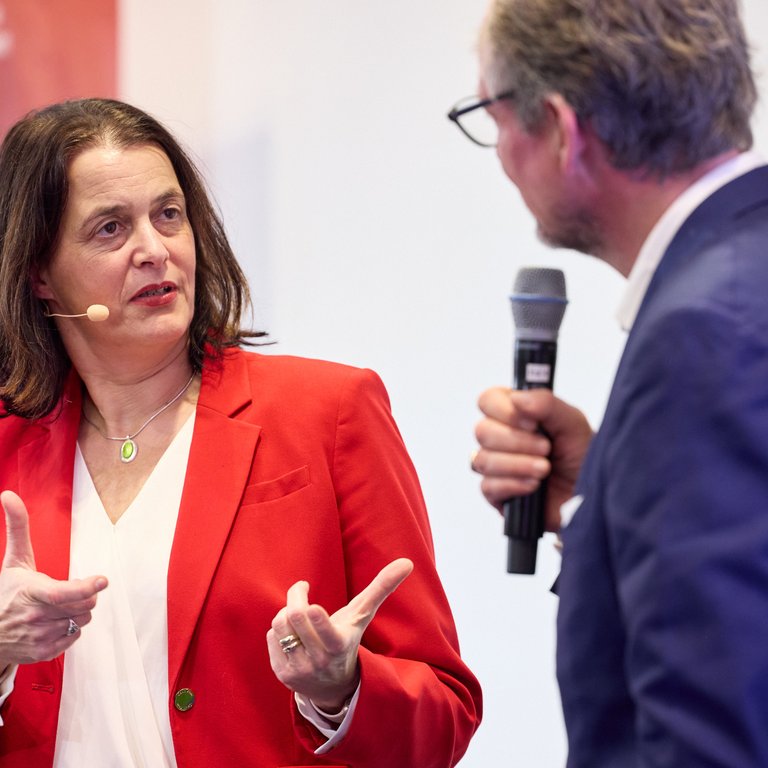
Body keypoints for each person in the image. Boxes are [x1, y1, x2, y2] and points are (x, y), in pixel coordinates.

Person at [0, 97, 481, 767]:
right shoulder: (7, 455)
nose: (154, 250)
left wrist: (341, 690)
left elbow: (444, 713)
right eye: (111, 228)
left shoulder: (330, 411)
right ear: (40, 275)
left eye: (168, 215)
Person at [451, 0, 768, 765]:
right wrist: (604, 501)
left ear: (561, 129)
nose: (496, 151)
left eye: (491, 113)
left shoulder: (704, 335)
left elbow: (712, 733)